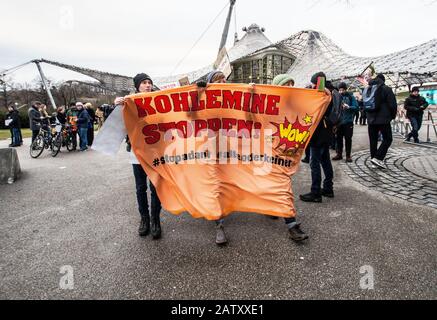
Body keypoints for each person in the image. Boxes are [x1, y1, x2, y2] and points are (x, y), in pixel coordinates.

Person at [113, 73, 162, 240]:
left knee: (155, 187)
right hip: (137, 151)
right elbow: (117, 122)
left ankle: (156, 220)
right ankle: (144, 220)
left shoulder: (158, 100)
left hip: (155, 150)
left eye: (149, 82)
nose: (148, 85)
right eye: (144, 83)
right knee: (141, 187)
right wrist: (118, 105)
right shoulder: (129, 101)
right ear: (137, 86)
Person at [271, 74, 308, 241]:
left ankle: (289, 223)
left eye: (292, 84)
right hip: (267, 153)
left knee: (282, 187)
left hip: (284, 155)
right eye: (286, 85)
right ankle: (277, 214)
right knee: (272, 185)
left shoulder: (296, 106)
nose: (290, 88)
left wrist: (325, 95)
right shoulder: (267, 105)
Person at [197, 71, 229, 245]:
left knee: (225, 183)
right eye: (218, 79)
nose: (222, 81)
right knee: (214, 184)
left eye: (224, 78)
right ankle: (219, 225)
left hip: (227, 147)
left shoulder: (232, 96)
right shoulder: (202, 97)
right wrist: (199, 94)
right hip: (208, 148)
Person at [300, 72, 335, 203]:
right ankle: (328, 188)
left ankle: (315, 192)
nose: (313, 85)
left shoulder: (323, 95)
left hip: (318, 134)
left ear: (318, 82)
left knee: (314, 163)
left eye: (314, 83)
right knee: (325, 161)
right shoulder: (330, 92)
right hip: (326, 133)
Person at [365, 74, 397, 169]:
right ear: (383, 80)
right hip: (383, 119)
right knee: (388, 139)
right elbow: (392, 105)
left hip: (371, 119)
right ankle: (378, 158)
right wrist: (392, 116)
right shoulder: (386, 89)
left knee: (373, 140)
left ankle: (373, 161)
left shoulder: (368, 88)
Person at [332, 82, 359, 163]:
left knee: (348, 139)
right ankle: (339, 154)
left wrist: (349, 107)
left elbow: (356, 107)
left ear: (345, 89)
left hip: (348, 122)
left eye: (342, 90)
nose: (340, 92)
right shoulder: (336, 98)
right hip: (339, 122)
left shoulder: (351, 97)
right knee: (338, 139)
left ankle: (348, 155)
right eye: (339, 90)